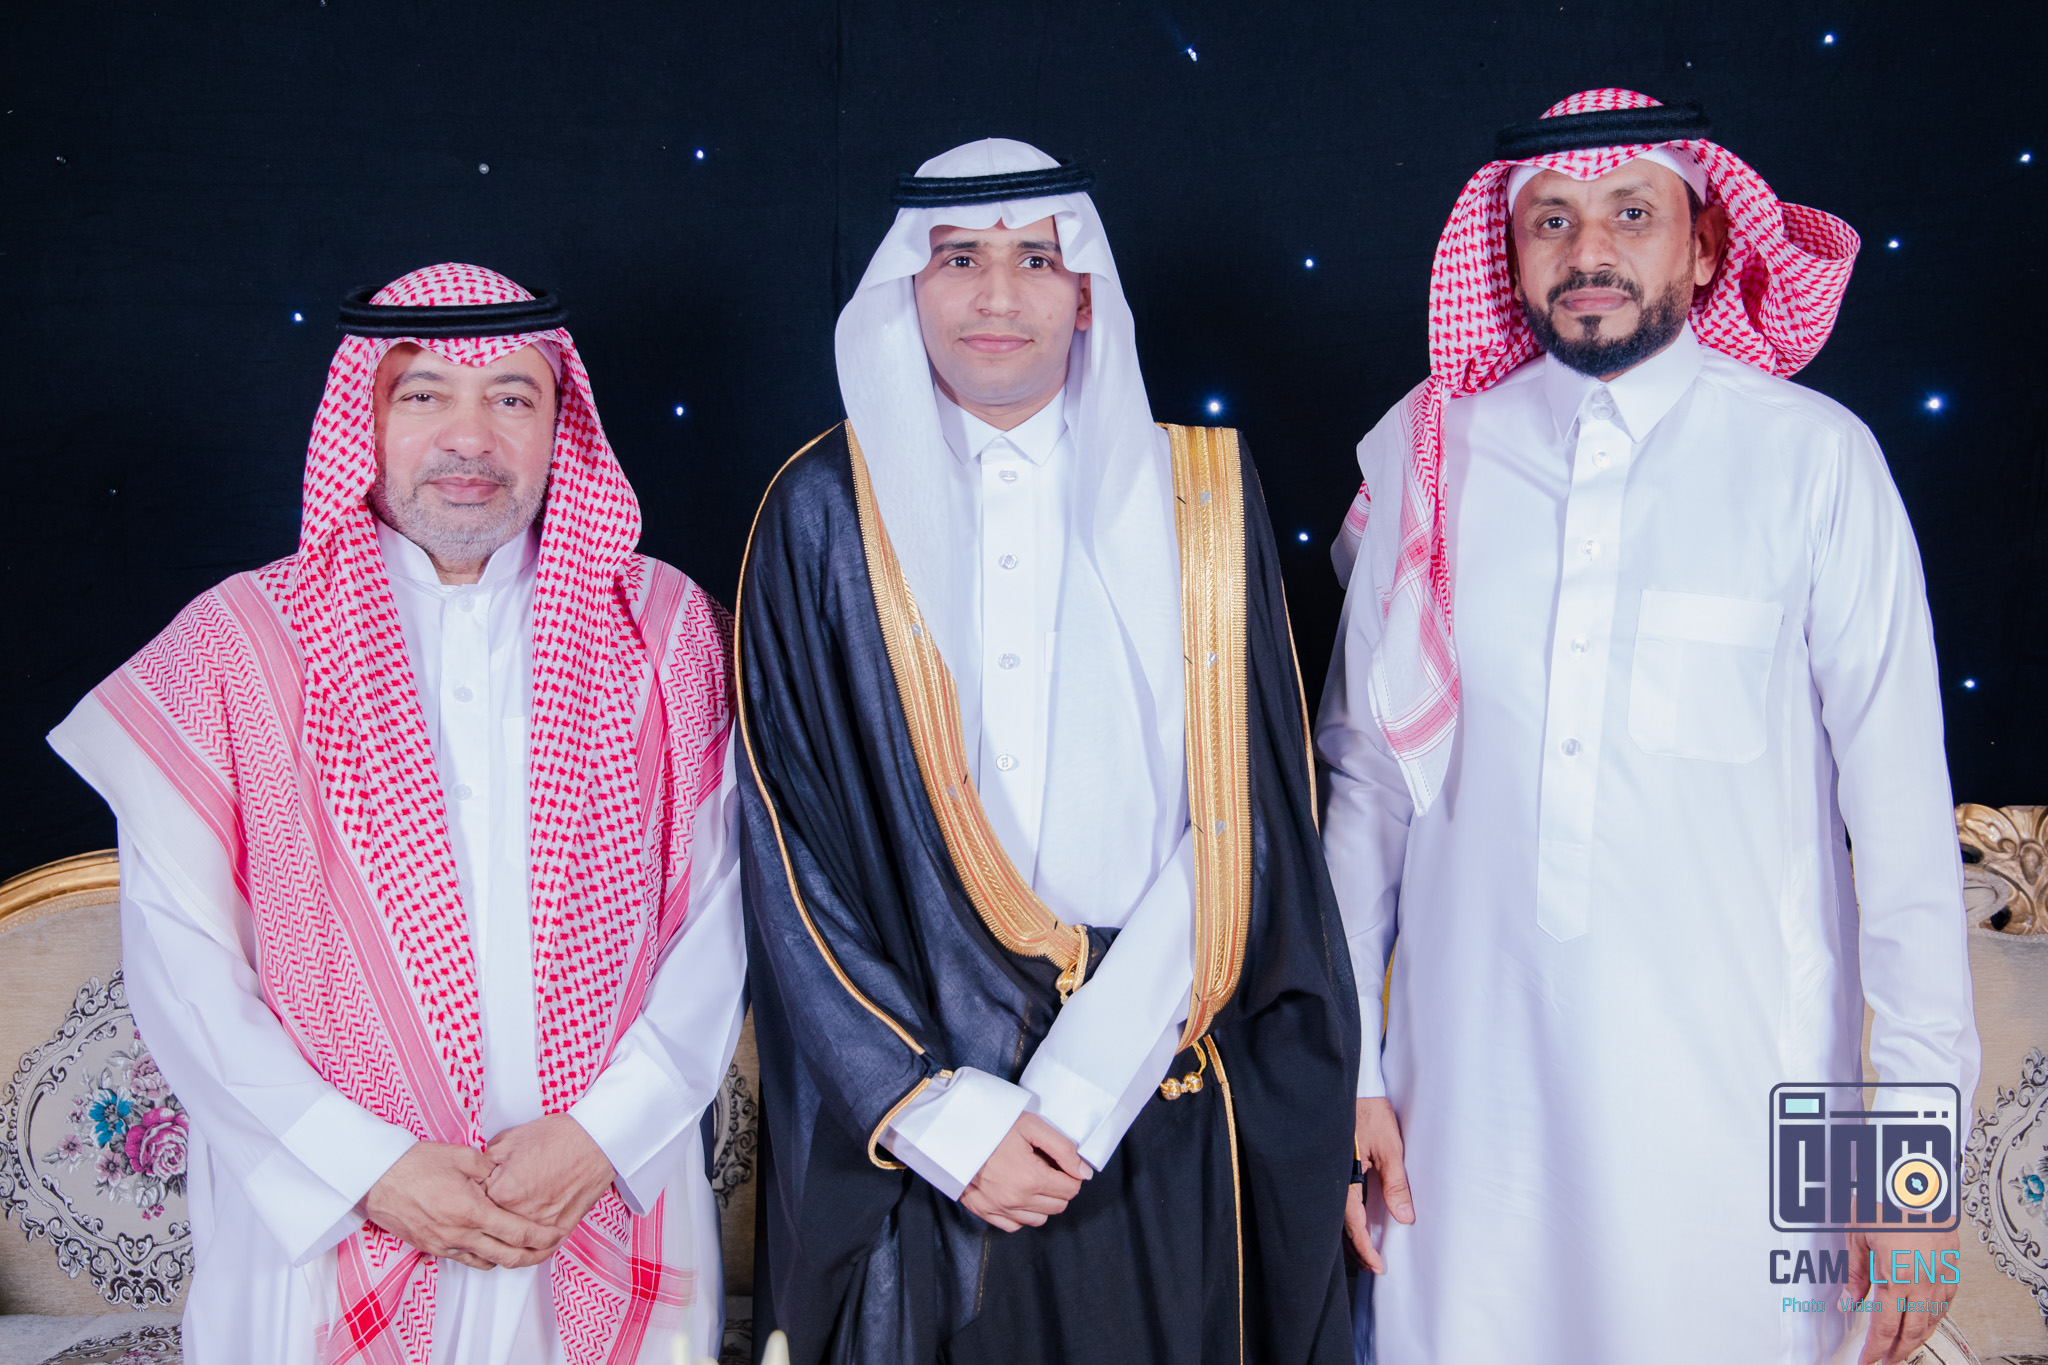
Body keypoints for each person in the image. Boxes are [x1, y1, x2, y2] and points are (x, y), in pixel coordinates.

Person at [1317, 90, 1981, 1365]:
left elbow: (1901, 835)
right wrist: (1346, 1076)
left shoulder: (1812, 462)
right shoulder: (1430, 452)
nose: (1588, 253)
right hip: (1465, 1133)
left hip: (1740, 1126)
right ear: (1507, 255)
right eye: (1550, 221)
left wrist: (1906, 1175)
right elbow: (1365, 796)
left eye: (1631, 214)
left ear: (1705, 246)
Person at [48, 264, 745, 1364]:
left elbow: (722, 921)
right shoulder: (238, 642)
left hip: (599, 1198)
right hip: (325, 1229)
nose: (470, 438)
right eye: (423, 394)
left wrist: (599, 1139)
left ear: (560, 423)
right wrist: (368, 1169)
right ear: (362, 418)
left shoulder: (666, 632)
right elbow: (183, 969)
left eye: (511, 396)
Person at [736, 139, 1359, 1363]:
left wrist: (1080, 1089)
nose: (996, 295)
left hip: (1158, 1085)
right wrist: (935, 1112)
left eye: (1035, 259)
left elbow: (1249, 814)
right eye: (958, 258)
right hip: (924, 1120)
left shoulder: (1199, 493)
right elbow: (784, 840)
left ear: (1086, 294)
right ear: (906, 288)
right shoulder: (819, 509)